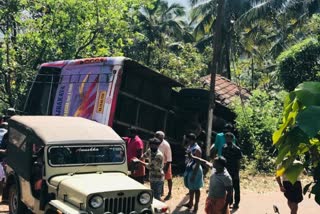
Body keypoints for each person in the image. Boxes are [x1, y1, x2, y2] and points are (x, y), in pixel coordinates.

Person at [183, 132, 204, 212]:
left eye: (188, 140)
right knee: (191, 188)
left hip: (195, 170)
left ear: (192, 140)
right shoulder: (190, 146)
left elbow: (198, 162)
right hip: (189, 168)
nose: (187, 141)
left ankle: (196, 206)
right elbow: (183, 146)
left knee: (196, 188)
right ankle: (190, 203)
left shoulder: (197, 149)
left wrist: (194, 175)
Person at [222, 132, 242, 209]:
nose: (227, 139)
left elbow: (238, 162)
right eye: (226, 138)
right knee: (228, 187)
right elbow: (223, 160)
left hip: (234, 170)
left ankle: (236, 203)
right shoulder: (224, 147)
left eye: (228, 138)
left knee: (236, 188)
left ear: (232, 139)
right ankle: (229, 202)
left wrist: (237, 173)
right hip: (226, 171)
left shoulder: (237, 149)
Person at [155, 131, 173, 200]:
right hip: (158, 163)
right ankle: (161, 192)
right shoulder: (155, 143)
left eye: (157, 137)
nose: (156, 138)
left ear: (162, 137)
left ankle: (170, 193)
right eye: (155, 136)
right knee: (159, 178)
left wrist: (166, 167)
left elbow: (169, 158)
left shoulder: (166, 145)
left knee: (168, 178)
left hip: (166, 163)